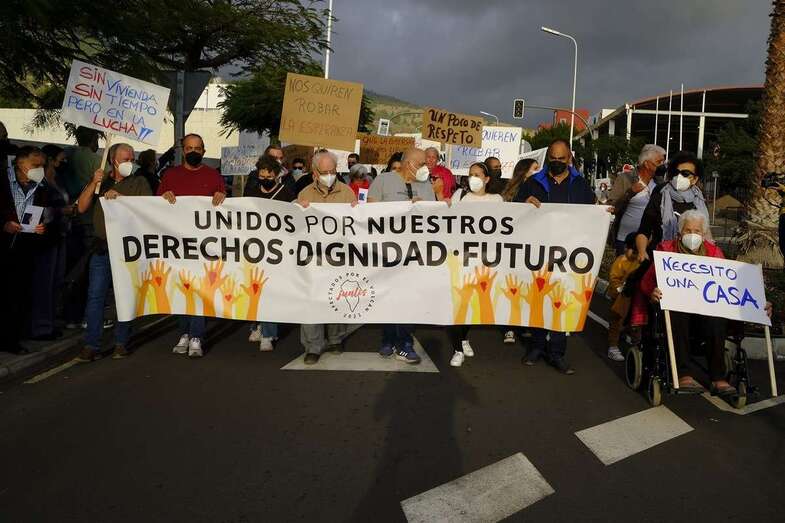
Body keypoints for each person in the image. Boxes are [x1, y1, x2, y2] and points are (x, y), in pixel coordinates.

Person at [640, 210, 772, 393]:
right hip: (677, 310)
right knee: (678, 314)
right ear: (680, 233)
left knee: (716, 319)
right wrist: (653, 291)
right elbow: (646, 282)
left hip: (705, 313)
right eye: (687, 230)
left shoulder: (714, 252)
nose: (692, 235)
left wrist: (757, 303)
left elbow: (731, 286)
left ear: (703, 234)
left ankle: (718, 377)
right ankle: (684, 374)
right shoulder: (666, 250)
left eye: (697, 231)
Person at [514, 139, 597, 375]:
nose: (558, 162)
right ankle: (537, 347)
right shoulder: (533, 182)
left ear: (569, 159)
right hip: (538, 252)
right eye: (554, 158)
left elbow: (591, 214)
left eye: (562, 159)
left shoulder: (580, 184)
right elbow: (514, 208)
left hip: (568, 253)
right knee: (538, 298)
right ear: (547, 158)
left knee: (562, 301)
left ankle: (557, 353)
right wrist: (523, 202)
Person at [74, 143, 152, 361]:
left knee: (124, 297)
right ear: (113, 160)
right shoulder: (100, 181)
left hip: (128, 251)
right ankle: (91, 344)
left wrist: (121, 201)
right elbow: (81, 207)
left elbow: (147, 211)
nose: (130, 162)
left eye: (132, 158)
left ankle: (121, 342)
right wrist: (93, 183)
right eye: (126, 159)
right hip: (102, 248)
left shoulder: (139, 182)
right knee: (96, 297)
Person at [159, 133, 226, 358]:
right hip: (177, 245)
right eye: (189, 148)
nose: (194, 152)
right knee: (182, 290)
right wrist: (163, 197)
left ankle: (196, 335)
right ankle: (184, 333)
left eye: (198, 148)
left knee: (198, 289)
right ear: (182, 150)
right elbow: (153, 209)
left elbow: (225, 206)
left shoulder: (213, 175)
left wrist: (221, 196)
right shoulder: (170, 175)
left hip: (205, 246)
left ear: (204, 151)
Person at [368, 148, 435, 363]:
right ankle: (388, 339)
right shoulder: (383, 180)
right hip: (387, 252)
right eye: (423, 163)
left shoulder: (426, 186)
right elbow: (370, 211)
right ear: (409, 164)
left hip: (414, 253)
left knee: (409, 299)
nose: (427, 166)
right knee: (389, 297)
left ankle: (404, 344)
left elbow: (435, 218)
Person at [296, 150, 358, 364]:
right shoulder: (304, 194)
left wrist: (358, 212)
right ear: (315, 173)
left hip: (338, 258)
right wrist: (297, 210)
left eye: (333, 171)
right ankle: (313, 346)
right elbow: (294, 227)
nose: (329, 175)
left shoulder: (348, 193)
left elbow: (358, 225)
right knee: (312, 301)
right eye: (325, 172)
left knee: (336, 297)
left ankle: (335, 338)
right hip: (312, 259)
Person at [447, 162, 503, 367]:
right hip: (460, 259)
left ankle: (463, 337)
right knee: (459, 303)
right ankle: (457, 349)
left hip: (484, 261)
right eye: (470, 174)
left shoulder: (497, 200)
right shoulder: (460, 197)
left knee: (473, 303)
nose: (473, 178)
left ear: (487, 179)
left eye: (478, 174)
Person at [243, 155, 295, 351]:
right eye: (261, 175)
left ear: (276, 175)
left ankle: (269, 334)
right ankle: (256, 325)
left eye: (268, 175)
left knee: (270, 291)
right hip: (255, 249)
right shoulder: (252, 192)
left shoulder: (286, 193)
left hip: (276, 252)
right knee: (255, 289)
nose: (265, 179)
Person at [1, 146, 50, 353]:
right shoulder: (2, 180)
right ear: (20, 163)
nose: (40, 170)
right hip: (3, 243)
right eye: (36, 165)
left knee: (18, 296)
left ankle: (11, 340)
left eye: (42, 166)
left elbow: (47, 213)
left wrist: (42, 227)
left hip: (24, 248)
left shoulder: (41, 186)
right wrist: (3, 224)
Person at [29, 145, 71, 340]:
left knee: (56, 281)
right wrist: (61, 211)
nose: (64, 163)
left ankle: (50, 322)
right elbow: (40, 210)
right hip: (45, 238)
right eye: (61, 159)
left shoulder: (58, 180)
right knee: (43, 283)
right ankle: (41, 327)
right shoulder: (40, 181)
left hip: (60, 235)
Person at [636, 151, 708, 262]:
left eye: (685, 173)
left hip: (694, 262)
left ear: (695, 179)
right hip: (661, 259)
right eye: (676, 172)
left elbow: (706, 233)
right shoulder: (660, 197)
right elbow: (644, 230)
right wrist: (642, 251)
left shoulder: (700, 201)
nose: (679, 176)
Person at [608, 144, 666, 255]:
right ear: (647, 164)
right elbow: (612, 207)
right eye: (659, 162)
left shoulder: (660, 183)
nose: (662, 165)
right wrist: (630, 193)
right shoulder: (625, 179)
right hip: (625, 240)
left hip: (650, 241)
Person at [606, 232, 640, 362]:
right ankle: (613, 346)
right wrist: (620, 289)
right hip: (621, 296)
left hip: (635, 297)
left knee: (636, 322)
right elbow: (614, 280)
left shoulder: (641, 260)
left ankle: (635, 344)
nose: (636, 254)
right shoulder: (621, 261)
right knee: (617, 320)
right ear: (626, 247)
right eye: (633, 250)